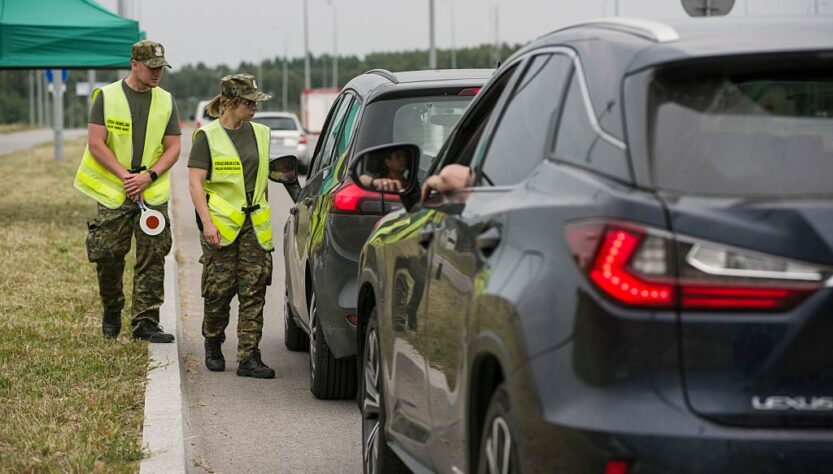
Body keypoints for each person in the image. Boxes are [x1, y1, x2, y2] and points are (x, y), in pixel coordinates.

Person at [74, 39, 181, 343]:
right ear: (134, 64)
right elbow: (96, 143)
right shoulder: (106, 97)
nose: (157, 73)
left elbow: (174, 147)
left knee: (153, 255)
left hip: (151, 193)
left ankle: (145, 322)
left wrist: (149, 176)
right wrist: (125, 177)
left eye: (161, 67)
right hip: (114, 191)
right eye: (152, 67)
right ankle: (112, 308)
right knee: (107, 255)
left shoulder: (166, 100)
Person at [188, 74, 276, 379]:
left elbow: (261, 180)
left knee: (254, 290)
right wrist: (207, 223)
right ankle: (213, 340)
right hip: (221, 227)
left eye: (255, 103)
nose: (254, 108)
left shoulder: (262, 133)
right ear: (229, 103)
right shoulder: (207, 137)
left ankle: (249, 356)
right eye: (248, 103)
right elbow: (196, 183)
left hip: (254, 226)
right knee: (219, 291)